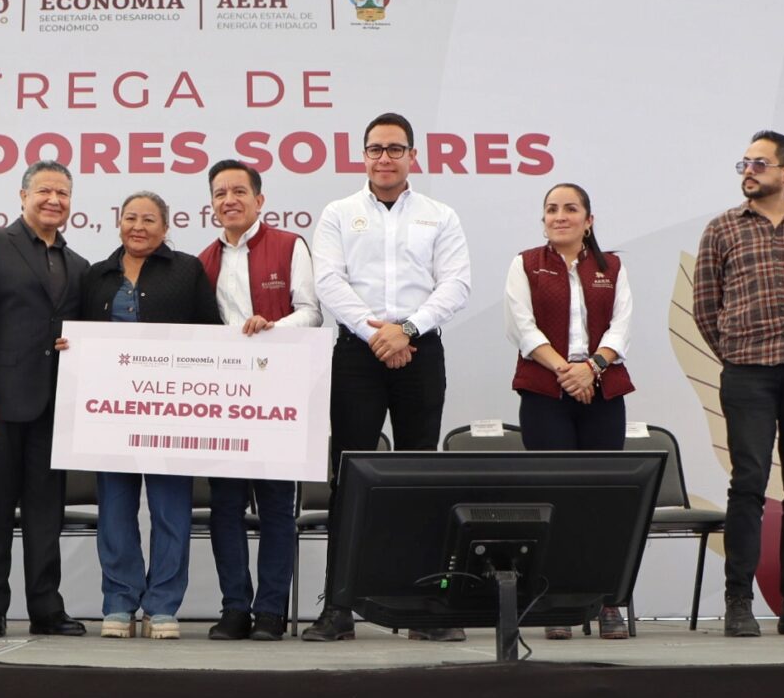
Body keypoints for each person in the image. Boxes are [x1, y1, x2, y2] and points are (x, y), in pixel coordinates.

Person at [308, 112, 472, 642]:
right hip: (356, 355)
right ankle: (339, 608)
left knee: (421, 478)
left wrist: (406, 330)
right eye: (376, 149)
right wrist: (375, 333)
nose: (385, 158)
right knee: (349, 477)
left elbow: (456, 285)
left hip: (420, 351)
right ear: (363, 156)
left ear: (412, 156)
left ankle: (424, 606)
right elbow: (328, 281)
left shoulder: (440, 216)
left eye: (395, 149)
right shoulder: (338, 213)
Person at [693, 129, 784, 638]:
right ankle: (739, 602)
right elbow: (705, 307)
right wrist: (737, 353)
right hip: (747, 370)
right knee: (748, 483)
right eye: (744, 164)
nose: (749, 171)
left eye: (759, 163)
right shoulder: (722, 229)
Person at [0, 160, 90, 639]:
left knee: (46, 512)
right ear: (23, 195)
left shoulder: (79, 265)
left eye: (63, 193)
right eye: (45, 191)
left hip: (53, 407)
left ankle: (46, 608)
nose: (54, 200)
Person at [78, 191, 222, 639]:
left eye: (148, 220)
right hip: (110, 412)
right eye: (130, 218)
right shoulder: (96, 274)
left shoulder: (187, 270)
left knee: (170, 510)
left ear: (166, 227)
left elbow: (212, 335)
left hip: (170, 413)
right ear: (118, 223)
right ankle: (119, 602)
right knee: (115, 510)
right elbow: (78, 334)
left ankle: (162, 606)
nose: (138, 227)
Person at [503, 182, 635, 640]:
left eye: (570, 209)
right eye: (551, 209)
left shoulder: (612, 267)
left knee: (603, 499)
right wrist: (567, 371)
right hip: (546, 393)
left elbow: (621, 326)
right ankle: (554, 600)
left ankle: (606, 600)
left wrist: (591, 368)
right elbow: (522, 328)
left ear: (589, 220)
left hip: (603, 391)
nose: (560, 216)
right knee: (551, 499)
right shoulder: (525, 264)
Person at [197, 160, 321, 641]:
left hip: (278, 396)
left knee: (275, 507)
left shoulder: (290, 246)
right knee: (225, 508)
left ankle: (270, 611)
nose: (229, 200)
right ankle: (234, 608)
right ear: (211, 204)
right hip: (222, 401)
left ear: (259, 200)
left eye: (239, 192)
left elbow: (311, 312)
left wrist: (273, 328)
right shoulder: (202, 261)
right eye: (220, 193)